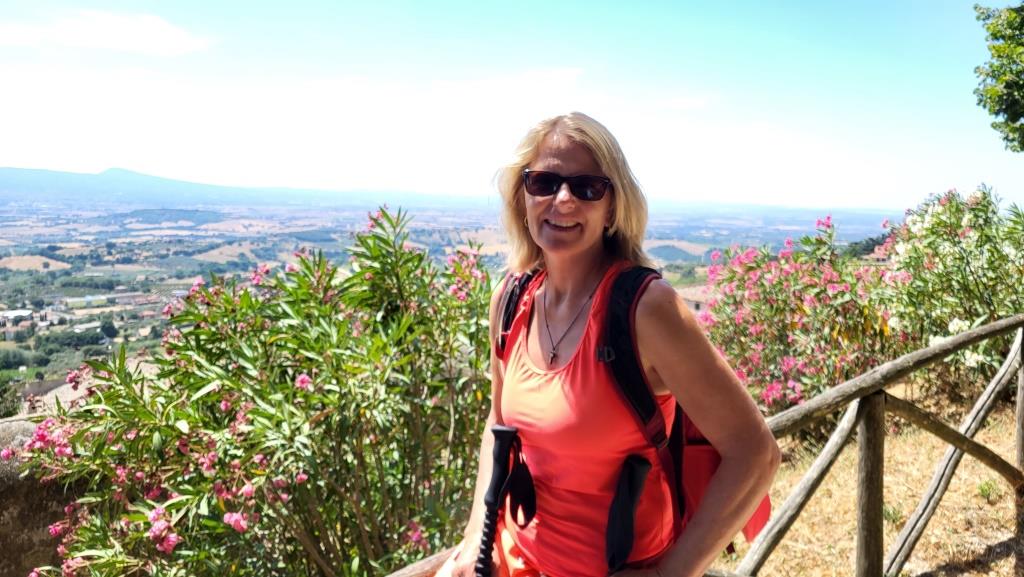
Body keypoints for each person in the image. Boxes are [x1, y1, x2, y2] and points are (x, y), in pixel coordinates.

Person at [438, 112, 780, 577]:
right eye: (544, 182)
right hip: (517, 561)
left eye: (587, 187)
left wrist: (670, 574)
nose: (562, 199)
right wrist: (475, 540)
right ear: (522, 196)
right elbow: (497, 423)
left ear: (613, 207)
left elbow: (755, 453)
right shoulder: (511, 299)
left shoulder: (645, 310)